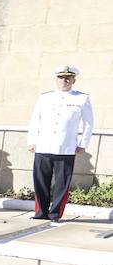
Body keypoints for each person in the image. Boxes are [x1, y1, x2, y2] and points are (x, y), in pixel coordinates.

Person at [27, 66, 95, 222]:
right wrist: (32, 141)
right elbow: (35, 120)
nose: (64, 80)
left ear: (73, 80)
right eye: (61, 77)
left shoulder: (81, 98)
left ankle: (55, 214)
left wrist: (83, 143)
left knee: (62, 184)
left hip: (66, 147)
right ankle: (41, 213)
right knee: (40, 181)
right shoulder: (45, 97)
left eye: (68, 78)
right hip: (43, 145)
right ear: (56, 79)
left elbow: (88, 123)